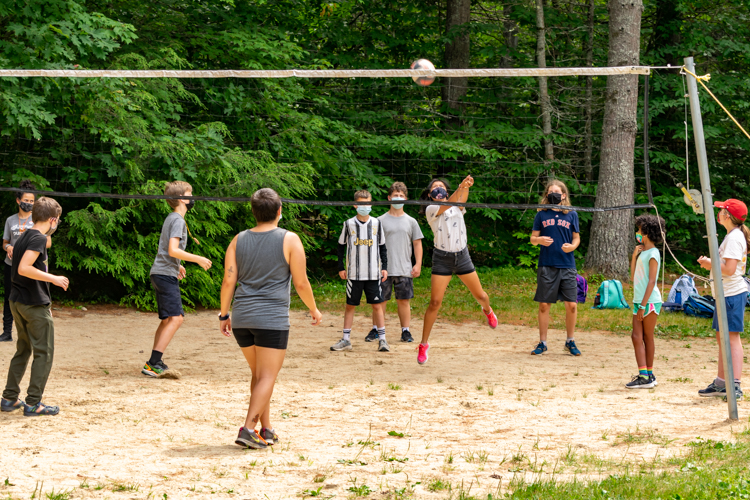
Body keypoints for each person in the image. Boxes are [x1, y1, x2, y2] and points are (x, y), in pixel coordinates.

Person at [219, 188, 322, 449]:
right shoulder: (289, 239)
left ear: (253, 212)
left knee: (259, 375)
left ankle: (266, 428)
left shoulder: (238, 239)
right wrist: (313, 309)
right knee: (267, 377)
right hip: (271, 319)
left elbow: (229, 280)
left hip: (242, 318)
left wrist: (224, 314)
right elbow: (301, 282)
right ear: (279, 211)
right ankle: (248, 428)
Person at [417, 176, 497, 365]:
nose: (438, 190)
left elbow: (461, 199)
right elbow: (451, 201)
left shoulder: (457, 206)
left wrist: (465, 186)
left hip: (462, 256)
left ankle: (488, 310)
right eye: (435, 188)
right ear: (430, 194)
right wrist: (460, 187)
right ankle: (423, 344)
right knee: (435, 302)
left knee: (481, 296)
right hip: (442, 258)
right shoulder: (431, 209)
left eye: (441, 187)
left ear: (447, 191)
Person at [1, 197, 68, 416]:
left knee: (24, 349)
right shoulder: (38, 238)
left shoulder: (24, 236)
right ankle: (33, 403)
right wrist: (54, 278)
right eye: (57, 220)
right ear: (52, 219)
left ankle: (9, 398)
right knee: (44, 353)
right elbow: (24, 268)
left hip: (17, 302)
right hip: (32, 305)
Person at [142, 181, 212, 377]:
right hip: (163, 274)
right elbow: (172, 249)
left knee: (166, 320)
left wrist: (177, 264)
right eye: (190, 193)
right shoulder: (178, 220)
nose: (193, 197)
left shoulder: (172, 218)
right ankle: (153, 362)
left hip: (161, 271)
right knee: (176, 318)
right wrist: (197, 259)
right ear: (182, 198)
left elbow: (165, 250)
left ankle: (154, 362)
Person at [697, 199, 750, 400]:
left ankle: (735, 384)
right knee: (722, 338)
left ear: (727, 216)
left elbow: (728, 269)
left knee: (731, 338)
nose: (718, 213)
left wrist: (710, 263)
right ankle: (721, 382)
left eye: (720, 210)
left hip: (732, 294)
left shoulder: (735, 238)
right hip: (724, 293)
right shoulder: (732, 235)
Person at [331, 190, 389, 353]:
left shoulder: (377, 223)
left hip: (373, 274)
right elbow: (341, 247)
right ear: (355, 205)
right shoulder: (348, 224)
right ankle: (346, 340)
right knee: (350, 306)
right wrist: (341, 267)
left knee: (377, 306)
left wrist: (384, 267)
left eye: (368, 203)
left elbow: (382, 247)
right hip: (354, 274)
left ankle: (383, 340)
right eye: (362, 204)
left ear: (371, 204)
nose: (365, 206)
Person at [364, 182, 423, 344]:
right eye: (395, 195)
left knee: (404, 301)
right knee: (380, 301)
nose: (398, 198)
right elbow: (372, 244)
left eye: (401, 196)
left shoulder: (411, 221)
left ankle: (406, 331)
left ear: (406, 198)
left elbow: (417, 243)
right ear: (389, 198)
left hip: (404, 269)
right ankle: (376, 329)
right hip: (383, 269)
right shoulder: (378, 221)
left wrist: (418, 264)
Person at [529, 180, 581, 356]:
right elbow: (533, 238)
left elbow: (576, 238)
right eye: (550, 192)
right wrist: (539, 240)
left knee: (572, 305)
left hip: (567, 264)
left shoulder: (572, 214)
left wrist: (573, 247)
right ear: (546, 195)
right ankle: (542, 343)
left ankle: (570, 341)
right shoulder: (541, 215)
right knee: (544, 305)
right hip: (547, 263)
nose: (553, 194)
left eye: (557, 192)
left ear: (564, 195)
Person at [626, 214, 666, 389]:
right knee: (640, 337)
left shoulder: (654, 253)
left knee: (642, 337)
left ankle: (645, 376)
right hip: (639, 301)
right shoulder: (643, 252)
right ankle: (648, 374)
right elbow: (634, 275)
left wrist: (643, 305)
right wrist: (634, 255)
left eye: (639, 230)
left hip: (648, 302)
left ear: (647, 233)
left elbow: (652, 281)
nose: (637, 233)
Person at [1, 180, 37, 342]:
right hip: (10, 266)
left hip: (29, 267)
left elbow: (45, 242)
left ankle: (29, 333)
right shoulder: (10, 220)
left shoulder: (37, 220)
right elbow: (5, 243)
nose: (29, 203)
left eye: (32, 201)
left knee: (29, 298)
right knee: (10, 298)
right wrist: (8, 247)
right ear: (18, 200)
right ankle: (7, 332)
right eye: (26, 200)